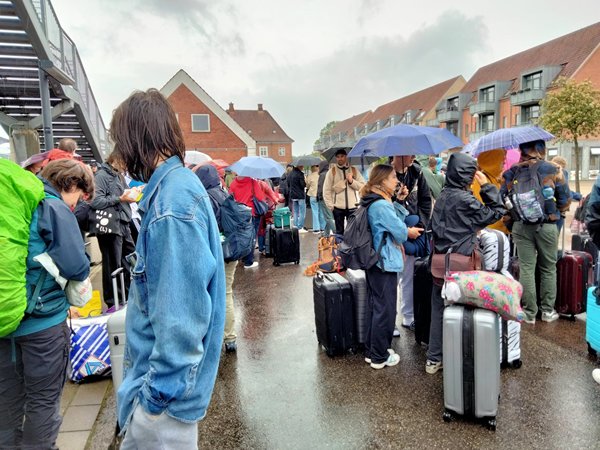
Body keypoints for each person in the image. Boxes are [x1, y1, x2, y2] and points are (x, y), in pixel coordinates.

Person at [111, 89, 225, 449]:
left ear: (135, 139)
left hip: (164, 405)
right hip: (165, 399)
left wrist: (152, 404)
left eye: (120, 141)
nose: (119, 154)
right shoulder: (174, 190)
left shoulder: (171, 205)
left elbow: (181, 323)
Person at [0, 159, 94, 449]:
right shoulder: (51, 206)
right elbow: (77, 266)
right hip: (42, 325)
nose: (77, 205)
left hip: (6, 319)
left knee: (8, 402)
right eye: (79, 197)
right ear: (71, 184)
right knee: (42, 402)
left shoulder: (15, 201)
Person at [426, 153, 505, 374]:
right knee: (464, 312)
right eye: (472, 173)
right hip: (462, 263)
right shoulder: (465, 200)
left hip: (440, 262)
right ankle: (460, 360)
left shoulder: (443, 195)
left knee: (438, 310)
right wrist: (487, 186)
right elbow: (496, 212)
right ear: (466, 175)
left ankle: (433, 359)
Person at [501, 140, 570, 324]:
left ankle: (530, 313)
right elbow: (565, 199)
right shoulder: (552, 169)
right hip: (547, 225)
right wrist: (557, 212)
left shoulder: (510, 172)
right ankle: (547, 311)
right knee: (548, 267)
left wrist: (513, 223)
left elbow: (503, 200)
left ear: (521, 151)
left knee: (526, 268)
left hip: (521, 226)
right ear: (542, 150)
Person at [360, 164, 409, 369]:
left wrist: (398, 201)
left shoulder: (374, 200)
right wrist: (410, 231)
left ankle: (374, 350)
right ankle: (380, 356)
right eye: (393, 177)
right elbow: (401, 233)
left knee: (376, 307)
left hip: (375, 262)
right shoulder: (381, 205)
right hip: (384, 263)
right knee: (385, 310)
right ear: (382, 181)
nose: (396, 181)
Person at [195, 165, 238, 353]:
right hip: (231, 252)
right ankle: (230, 338)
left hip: (213, 252)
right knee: (226, 293)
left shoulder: (204, 200)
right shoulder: (226, 194)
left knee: (207, 295)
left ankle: (210, 339)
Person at [89, 152, 136, 308]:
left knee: (128, 261)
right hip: (110, 226)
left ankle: (127, 298)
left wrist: (135, 192)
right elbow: (95, 201)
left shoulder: (118, 175)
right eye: (125, 163)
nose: (126, 167)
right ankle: (113, 303)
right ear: (117, 159)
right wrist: (120, 199)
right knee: (112, 265)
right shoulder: (102, 176)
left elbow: (124, 193)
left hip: (123, 222)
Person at [391, 155, 432, 333]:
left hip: (414, 232)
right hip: (392, 232)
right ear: (398, 154)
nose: (414, 156)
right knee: (391, 279)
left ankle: (408, 316)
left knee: (408, 275)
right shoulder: (386, 174)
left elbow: (425, 201)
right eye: (410, 152)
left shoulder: (418, 172)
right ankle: (389, 320)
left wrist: (421, 224)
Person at [323, 148, 365, 234]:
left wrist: (351, 181)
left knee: (353, 232)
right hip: (338, 208)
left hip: (353, 207)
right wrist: (330, 205)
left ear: (346, 157)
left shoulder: (354, 170)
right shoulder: (332, 172)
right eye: (338, 157)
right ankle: (340, 247)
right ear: (336, 158)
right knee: (339, 232)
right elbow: (326, 190)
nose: (340, 158)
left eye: (342, 156)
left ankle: (351, 247)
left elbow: (363, 186)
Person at [229, 175, 267, 268]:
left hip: (239, 214)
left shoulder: (233, 183)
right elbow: (260, 197)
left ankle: (243, 257)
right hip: (251, 213)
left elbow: (230, 199)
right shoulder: (252, 182)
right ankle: (248, 262)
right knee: (251, 237)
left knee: (242, 236)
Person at [471, 149, 510, 235]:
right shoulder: (480, 180)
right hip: (490, 232)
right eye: (502, 159)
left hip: (496, 230)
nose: (504, 162)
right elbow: (481, 210)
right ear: (492, 160)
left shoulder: (494, 178)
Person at [317, 160, 335, 236]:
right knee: (328, 216)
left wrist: (319, 196)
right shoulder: (330, 173)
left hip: (323, 198)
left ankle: (337, 233)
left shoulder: (322, 175)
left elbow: (320, 187)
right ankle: (326, 234)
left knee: (328, 217)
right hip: (330, 197)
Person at [287, 164, 308, 231]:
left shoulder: (290, 174)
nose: (303, 167)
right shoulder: (300, 174)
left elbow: (288, 183)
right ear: (298, 166)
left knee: (295, 211)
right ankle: (300, 226)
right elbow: (303, 185)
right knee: (302, 212)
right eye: (302, 166)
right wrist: (305, 181)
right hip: (300, 195)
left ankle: (295, 226)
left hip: (293, 195)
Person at [306, 165, 322, 234]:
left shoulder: (310, 176)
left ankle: (316, 228)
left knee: (315, 212)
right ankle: (323, 227)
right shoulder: (321, 175)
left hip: (312, 195)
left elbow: (307, 186)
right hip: (320, 195)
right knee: (321, 211)